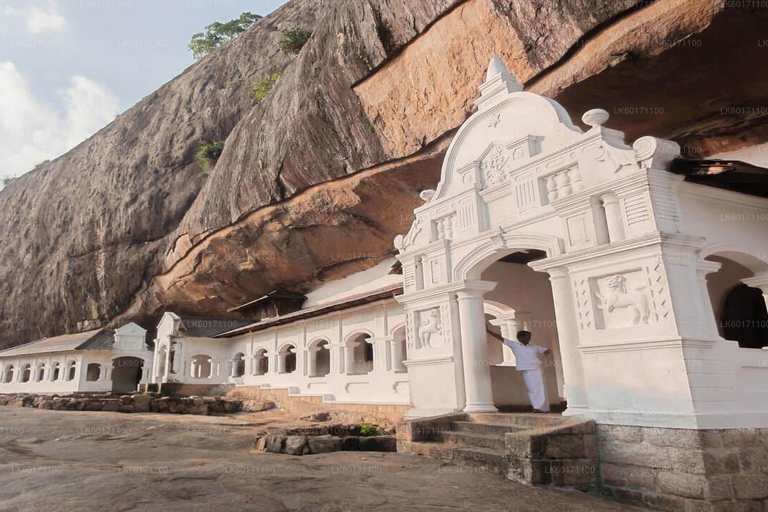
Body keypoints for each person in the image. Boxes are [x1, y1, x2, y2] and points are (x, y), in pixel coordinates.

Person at [486, 329, 551, 413]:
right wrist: (488, 331)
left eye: (529, 337)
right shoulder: (514, 345)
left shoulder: (533, 347)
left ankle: (542, 407)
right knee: (531, 389)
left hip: (537, 369)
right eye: (527, 337)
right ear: (520, 338)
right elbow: (500, 338)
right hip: (526, 370)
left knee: (540, 389)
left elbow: (546, 350)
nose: (529, 339)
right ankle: (537, 406)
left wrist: (546, 353)